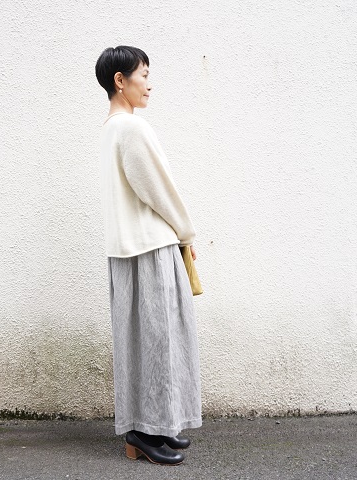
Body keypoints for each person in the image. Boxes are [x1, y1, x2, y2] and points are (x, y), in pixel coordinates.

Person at [95, 46, 202, 466]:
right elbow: (158, 190)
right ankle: (146, 431)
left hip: (125, 251)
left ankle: (150, 426)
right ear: (120, 80)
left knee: (139, 344)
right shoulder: (132, 128)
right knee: (161, 342)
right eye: (142, 75)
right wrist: (186, 232)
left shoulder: (109, 129)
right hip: (151, 248)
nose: (149, 84)